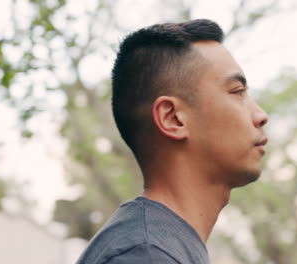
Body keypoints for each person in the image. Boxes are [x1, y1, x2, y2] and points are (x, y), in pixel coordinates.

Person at [77, 19, 268, 264]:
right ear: (173, 118)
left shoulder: (159, 246)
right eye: (237, 92)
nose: (261, 115)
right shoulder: (145, 255)